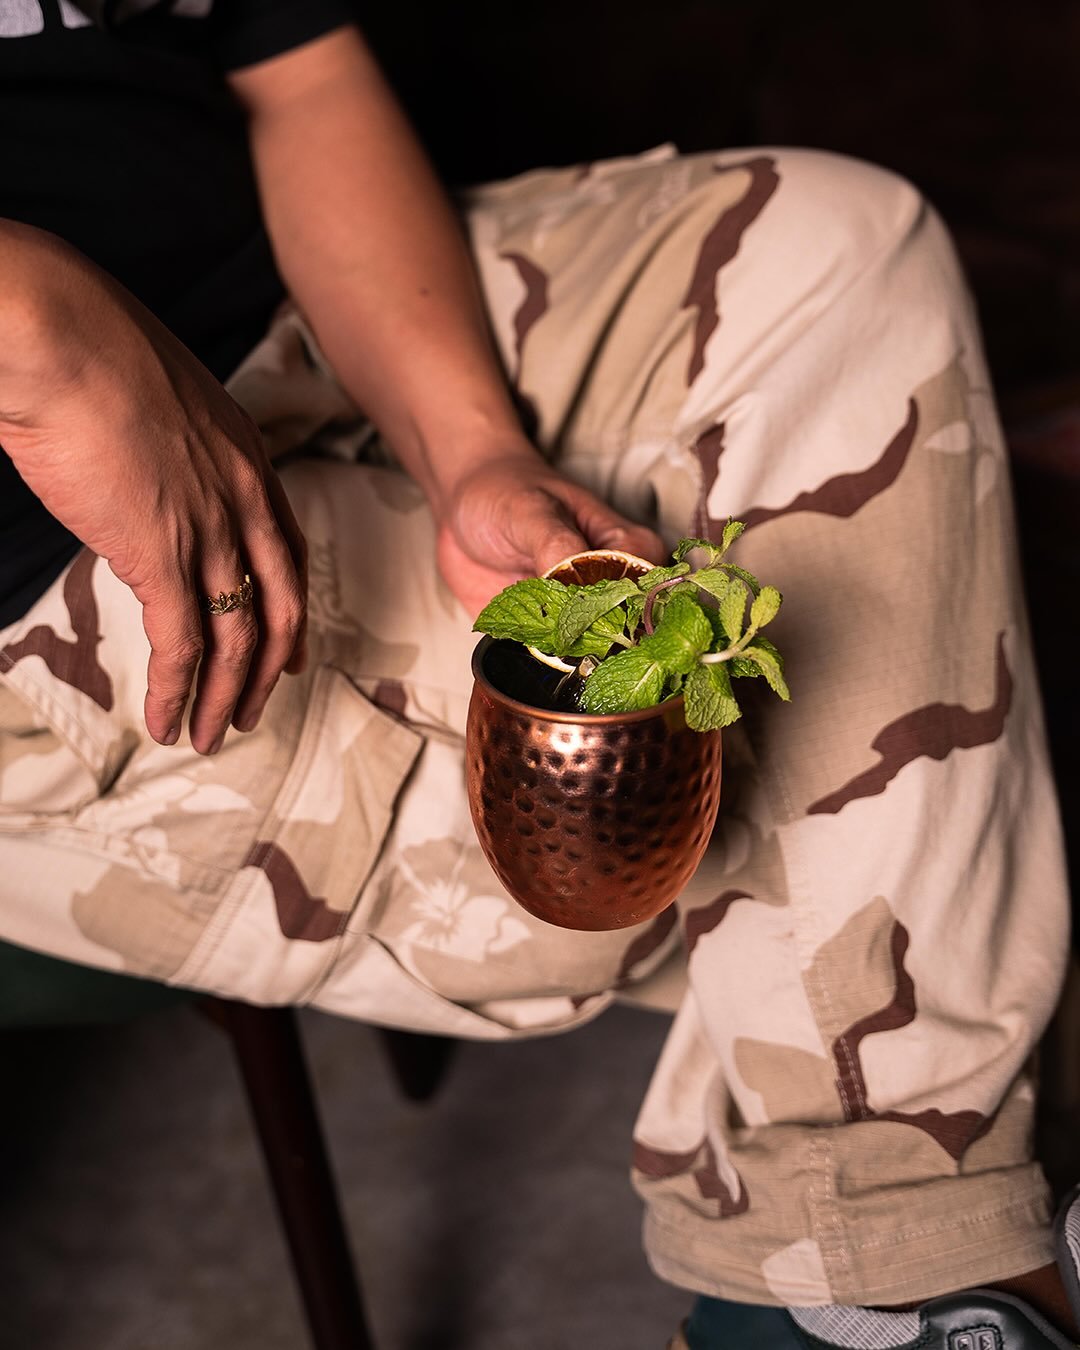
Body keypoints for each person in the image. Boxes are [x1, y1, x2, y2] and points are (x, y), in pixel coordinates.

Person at [0, 3, 1075, 1346]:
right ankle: (907, 1243)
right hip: (33, 557)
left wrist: (471, 459)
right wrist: (24, 307)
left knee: (837, 248)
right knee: (630, 849)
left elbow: (299, 77)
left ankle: (877, 1269)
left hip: (273, 295)